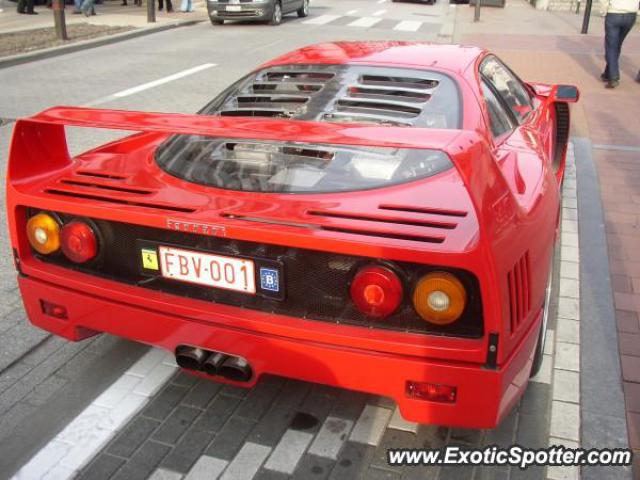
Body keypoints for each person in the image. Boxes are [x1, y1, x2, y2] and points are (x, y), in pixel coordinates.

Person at [600, 0, 639, 88]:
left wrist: (603, 10)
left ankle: (613, 77)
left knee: (611, 46)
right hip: (631, 14)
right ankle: (608, 73)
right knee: (616, 45)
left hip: (614, 13)